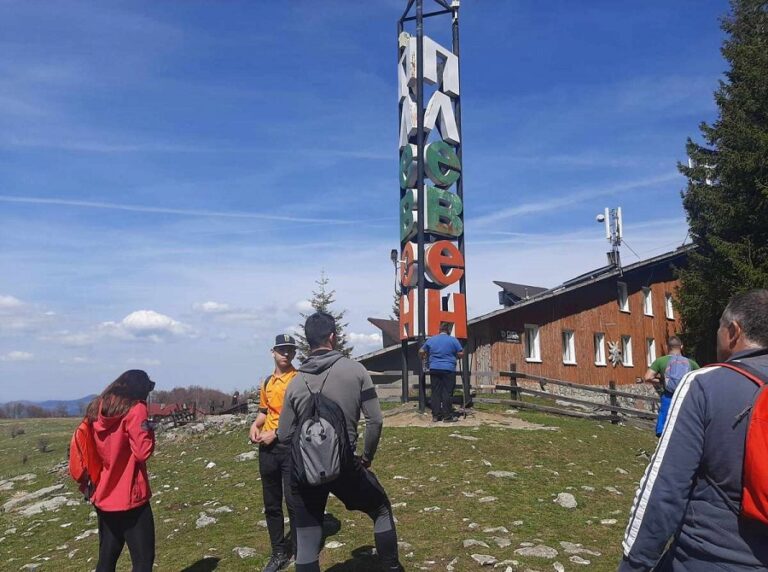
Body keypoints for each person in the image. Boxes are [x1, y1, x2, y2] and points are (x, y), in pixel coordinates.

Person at [620, 289, 768, 571]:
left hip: (710, 558)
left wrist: (634, 564)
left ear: (733, 332)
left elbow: (666, 488)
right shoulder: (692, 364)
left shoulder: (704, 383)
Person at [277, 311, 404, 572]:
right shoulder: (355, 371)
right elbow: (375, 421)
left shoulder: (295, 383)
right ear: (332, 337)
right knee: (380, 508)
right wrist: (366, 458)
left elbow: (283, 434)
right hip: (346, 466)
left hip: (305, 472)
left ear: (307, 342)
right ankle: (391, 568)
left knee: (308, 537)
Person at [89, 370, 157, 572]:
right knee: (143, 561)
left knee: (106, 560)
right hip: (131, 497)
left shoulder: (98, 408)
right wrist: (150, 429)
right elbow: (142, 452)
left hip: (104, 496)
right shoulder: (136, 410)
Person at [248, 334, 299, 572]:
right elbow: (264, 411)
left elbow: (301, 416)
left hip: (289, 446)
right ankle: (279, 552)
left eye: (290, 350)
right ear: (273, 352)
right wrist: (255, 425)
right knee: (271, 503)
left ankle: (301, 548)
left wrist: (276, 433)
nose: (286, 354)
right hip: (267, 449)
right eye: (282, 350)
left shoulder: (298, 380)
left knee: (293, 500)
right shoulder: (267, 382)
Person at [638, 336, 700, 436]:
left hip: (668, 397)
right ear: (682, 346)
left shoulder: (660, 361)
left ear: (668, 347)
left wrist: (662, 381)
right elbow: (700, 379)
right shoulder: (690, 363)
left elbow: (648, 377)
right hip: (685, 399)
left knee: (665, 428)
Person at [419, 321, 465, 422]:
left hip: (434, 368)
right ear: (448, 331)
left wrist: (424, 357)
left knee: (435, 392)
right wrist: (456, 356)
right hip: (448, 369)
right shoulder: (453, 340)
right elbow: (461, 353)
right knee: (447, 393)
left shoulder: (432, 340)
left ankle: (436, 416)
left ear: (439, 330)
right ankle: (447, 416)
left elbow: (421, 351)